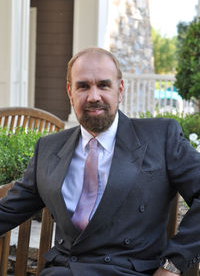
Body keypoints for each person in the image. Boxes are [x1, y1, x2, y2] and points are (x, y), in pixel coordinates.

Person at [0, 47, 200, 276]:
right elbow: (8, 210)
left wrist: (172, 265)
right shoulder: (49, 148)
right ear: (69, 91)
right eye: (83, 86)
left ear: (120, 90)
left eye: (103, 85)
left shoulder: (160, 137)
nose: (94, 96)